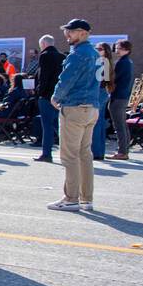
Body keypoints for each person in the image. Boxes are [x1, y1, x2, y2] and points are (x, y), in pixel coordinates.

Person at [48, 19, 101, 212]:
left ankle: (71, 198)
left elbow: (67, 78)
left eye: (71, 31)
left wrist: (56, 96)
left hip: (75, 107)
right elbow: (103, 83)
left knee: (69, 156)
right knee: (85, 155)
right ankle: (87, 198)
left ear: (83, 33)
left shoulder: (78, 54)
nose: (67, 35)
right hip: (92, 108)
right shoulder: (96, 54)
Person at [34, 34, 64, 162]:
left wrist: (39, 92)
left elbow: (43, 76)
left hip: (46, 95)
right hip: (60, 95)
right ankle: (68, 151)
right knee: (60, 125)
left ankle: (47, 153)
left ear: (44, 44)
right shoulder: (63, 56)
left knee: (47, 125)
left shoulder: (45, 55)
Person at [109, 40, 134, 160]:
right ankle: (125, 150)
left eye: (120, 48)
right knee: (122, 125)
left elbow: (114, 79)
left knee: (119, 125)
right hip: (123, 97)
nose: (117, 50)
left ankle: (122, 152)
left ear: (127, 50)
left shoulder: (122, 63)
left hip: (118, 97)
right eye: (117, 47)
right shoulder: (128, 62)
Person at [91, 42, 114, 161]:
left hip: (99, 92)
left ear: (106, 51)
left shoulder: (102, 61)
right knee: (99, 123)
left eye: (100, 49)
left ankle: (96, 151)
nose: (97, 50)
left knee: (96, 123)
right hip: (103, 92)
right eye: (96, 48)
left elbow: (98, 79)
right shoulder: (107, 61)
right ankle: (99, 151)